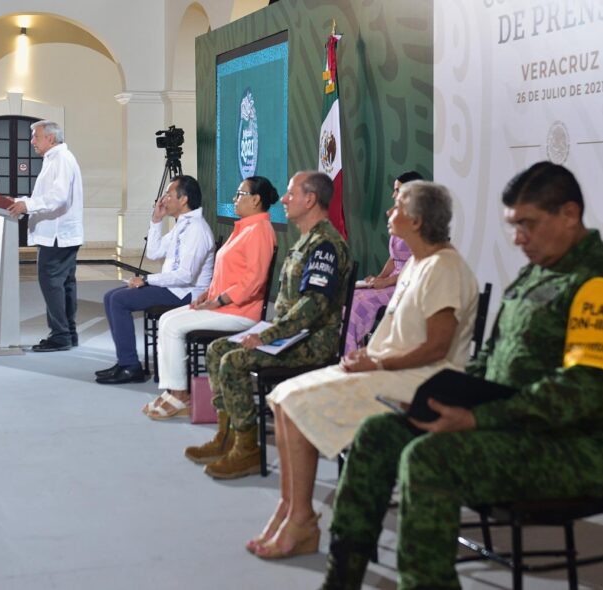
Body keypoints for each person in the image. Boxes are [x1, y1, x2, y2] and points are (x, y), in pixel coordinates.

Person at [321, 162, 603, 589]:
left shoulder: (599, 282)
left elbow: (579, 392)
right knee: (378, 435)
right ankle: (341, 577)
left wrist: (477, 419)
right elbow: (491, 360)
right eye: (514, 226)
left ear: (569, 214)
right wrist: (439, 398)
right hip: (513, 429)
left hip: (575, 447)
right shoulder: (540, 271)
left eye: (528, 225)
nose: (518, 239)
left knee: (427, 461)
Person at [249, 180, 479, 560]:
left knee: (292, 402)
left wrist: (377, 361)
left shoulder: (445, 268)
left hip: (419, 383)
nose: (390, 212)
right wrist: (367, 359)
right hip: (385, 370)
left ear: (418, 221)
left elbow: (438, 346)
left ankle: (300, 520)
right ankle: (292, 511)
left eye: (399, 206)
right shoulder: (419, 263)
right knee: (283, 397)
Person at [183, 171, 352, 479]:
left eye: (291, 194)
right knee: (217, 348)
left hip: (311, 342)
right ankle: (228, 435)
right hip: (291, 335)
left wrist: (268, 336)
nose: (284, 199)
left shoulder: (325, 244)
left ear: (310, 199)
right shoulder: (308, 240)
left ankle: (247, 449)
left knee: (233, 360)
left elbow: (312, 308)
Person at [143, 176, 278, 419]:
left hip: (239, 313)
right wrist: (206, 294)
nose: (235, 199)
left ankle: (181, 395)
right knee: (166, 320)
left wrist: (219, 300)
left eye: (240, 194)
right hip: (221, 306)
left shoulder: (260, 231)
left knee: (173, 326)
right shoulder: (244, 228)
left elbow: (253, 281)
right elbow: (225, 274)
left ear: (256, 200)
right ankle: (172, 389)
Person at [94, 175, 214, 384]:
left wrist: (148, 280)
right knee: (110, 297)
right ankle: (125, 362)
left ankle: (130, 366)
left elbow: (186, 275)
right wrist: (156, 221)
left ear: (183, 199)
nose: (164, 199)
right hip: (174, 288)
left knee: (118, 300)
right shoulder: (182, 224)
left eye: (169, 194)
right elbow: (154, 252)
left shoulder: (196, 229)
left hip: (186, 293)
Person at [7, 120, 83, 352]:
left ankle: (60, 336)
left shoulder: (61, 159)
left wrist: (27, 205)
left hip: (57, 235)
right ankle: (68, 333)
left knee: (52, 284)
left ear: (50, 138)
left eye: (36, 137)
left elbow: (57, 197)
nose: (32, 142)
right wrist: (22, 201)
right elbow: (48, 194)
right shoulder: (57, 159)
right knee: (64, 285)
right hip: (61, 234)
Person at [344, 171, 424, 353]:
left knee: (357, 303)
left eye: (397, 190)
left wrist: (385, 282)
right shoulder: (402, 219)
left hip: (407, 286)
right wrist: (377, 280)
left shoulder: (420, 224)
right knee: (350, 294)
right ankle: (352, 352)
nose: (392, 195)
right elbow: (394, 258)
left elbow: (414, 264)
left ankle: (352, 352)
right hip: (392, 281)